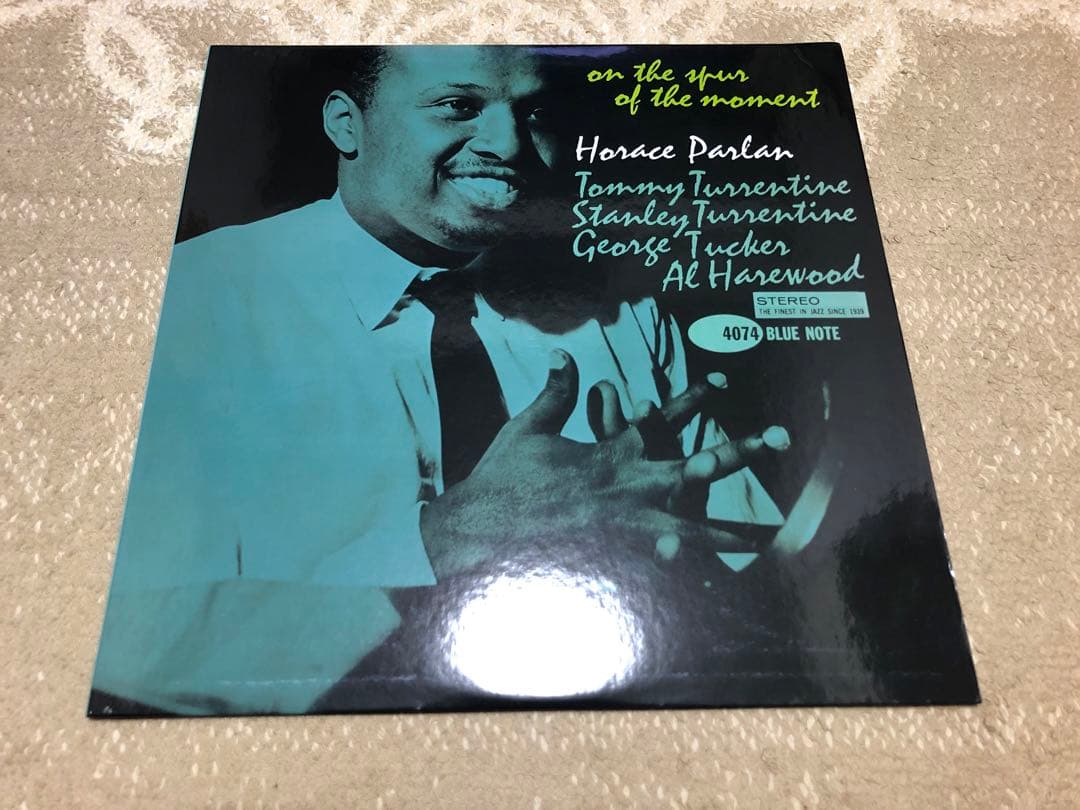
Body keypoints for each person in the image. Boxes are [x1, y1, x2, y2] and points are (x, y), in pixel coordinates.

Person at [90, 46, 787, 715]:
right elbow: (129, 645)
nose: (510, 146)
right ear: (346, 124)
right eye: (458, 105)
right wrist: (437, 543)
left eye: (535, 114)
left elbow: (755, 578)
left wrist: (669, 563)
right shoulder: (192, 303)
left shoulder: (626, 315)